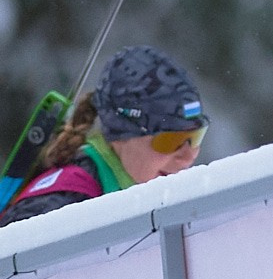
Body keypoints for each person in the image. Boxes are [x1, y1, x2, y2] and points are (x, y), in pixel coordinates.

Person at [0, 46, 208, 226]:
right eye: (170, 141)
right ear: (122, 134)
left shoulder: (141, 189)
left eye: (196, 137)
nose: (189, 156)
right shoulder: (62, 205)